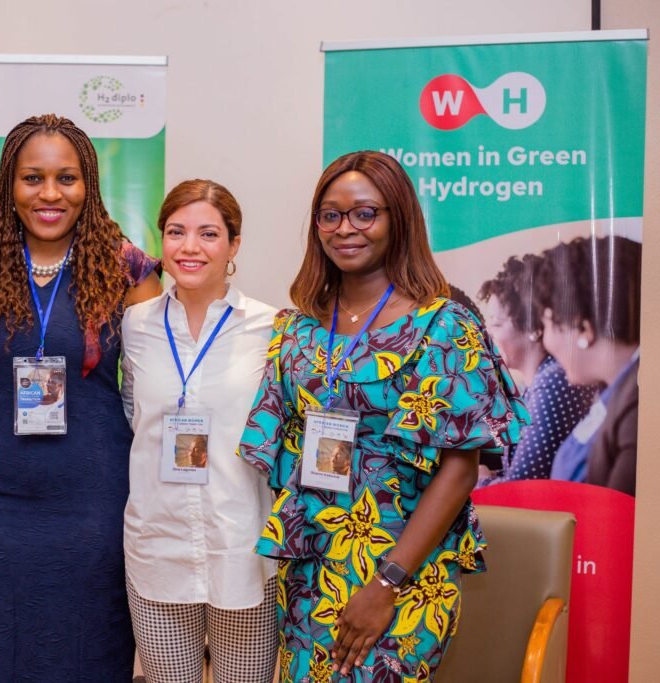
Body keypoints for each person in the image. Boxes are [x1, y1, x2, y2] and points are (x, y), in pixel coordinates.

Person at [238, 151, 528, 682]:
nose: (345, 228)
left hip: (402, 574)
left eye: (365, 213)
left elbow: (460, 469)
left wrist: (385, 583)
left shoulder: (443, 326)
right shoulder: (297, 329)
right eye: (330, 215)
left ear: (399, 219)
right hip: (310, 569)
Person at [0, 114, 161, 681]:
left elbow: (149, 389)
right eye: (32, 178)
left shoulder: (128, 271)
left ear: (88, 185)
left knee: (88, 649)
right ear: (9, 185)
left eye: (66, 178)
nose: (49, 194)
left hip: (93, 499)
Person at [121, 179, 279, 682]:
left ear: (234, 245)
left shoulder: (272, 328)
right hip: (156, 546)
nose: (190, 247)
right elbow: (131, 415)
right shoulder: (134, 324)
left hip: (242, 548)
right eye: (176, 232)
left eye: (208, 234)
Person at [475, 255, 597, 486]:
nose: (487, 334)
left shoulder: (553, 381)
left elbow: (523, 487)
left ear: (533, 328)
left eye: (496, 324)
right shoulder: (535, 384)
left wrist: (477, 480)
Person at [536, 236, 641, 496]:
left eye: (547, 325)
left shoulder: (638, 401)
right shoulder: (615, 391)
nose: (544, 341)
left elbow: (620, 512)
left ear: (583, 328)